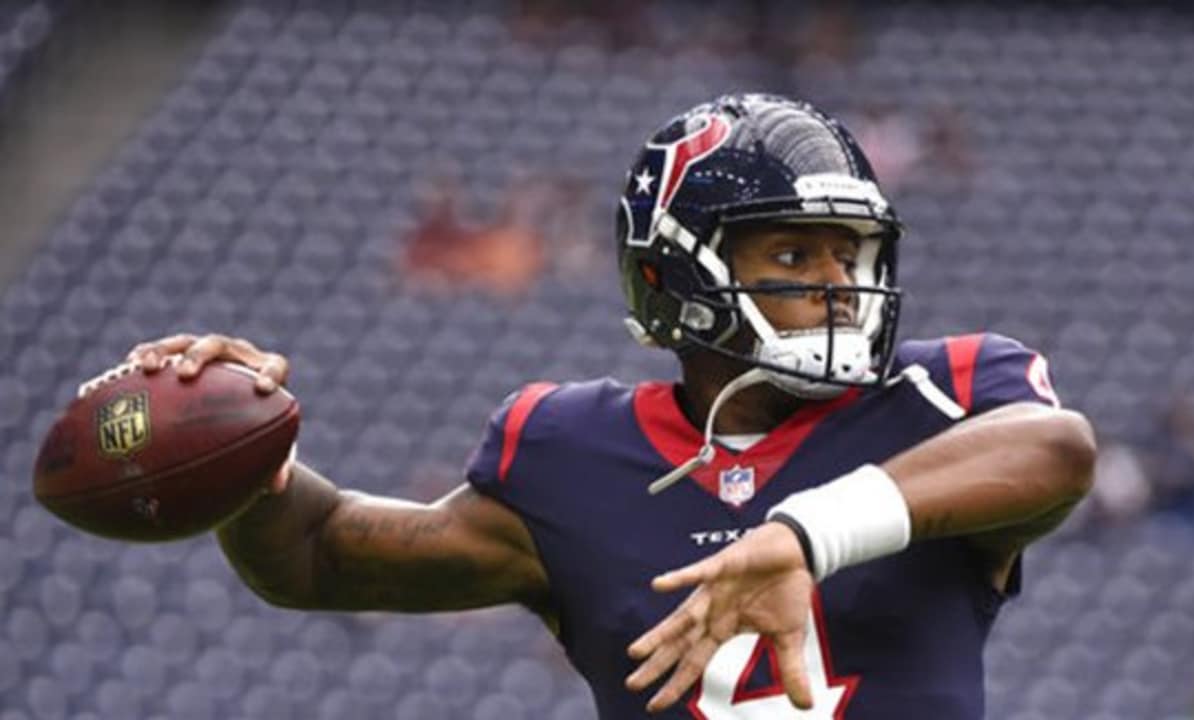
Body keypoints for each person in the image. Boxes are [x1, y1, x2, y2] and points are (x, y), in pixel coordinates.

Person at [126, 93, 1095, 718]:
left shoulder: (934, 399)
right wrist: (244, 450)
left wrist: (806, 534)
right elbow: (319, 555)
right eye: (794, 255)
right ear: (669, 276)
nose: (839, 283)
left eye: (849, 253)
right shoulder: (567, 452)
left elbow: (1053, 450)